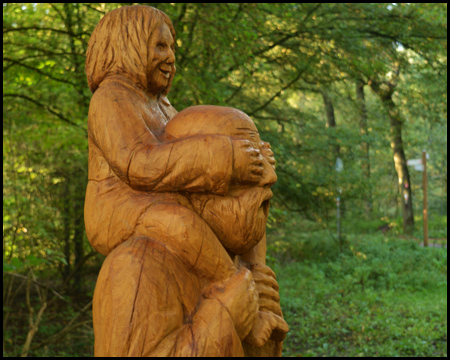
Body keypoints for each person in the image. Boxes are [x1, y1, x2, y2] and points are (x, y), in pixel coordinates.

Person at [93, 105, 288, 356]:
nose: (270, 176)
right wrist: (224, 317)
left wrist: (261, 328)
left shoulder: (234, 260)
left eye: (264, 159)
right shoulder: (136, 267)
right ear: (195, 185)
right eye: (251, 169)